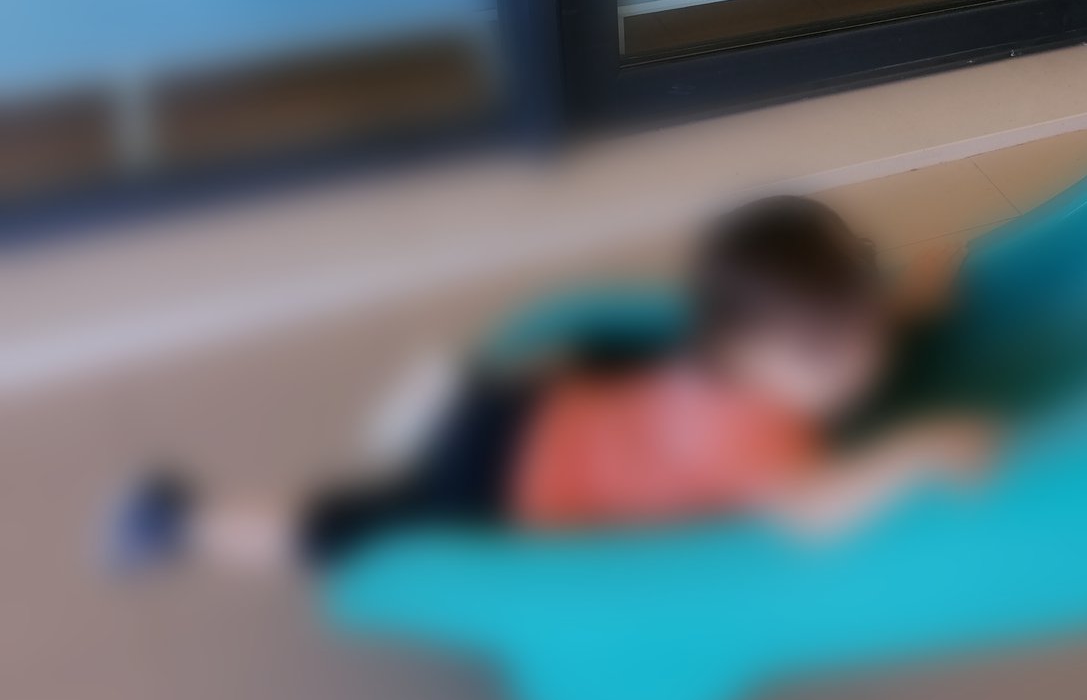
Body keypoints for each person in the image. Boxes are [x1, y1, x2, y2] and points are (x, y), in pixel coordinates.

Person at [102, 196, 994, 578]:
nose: (859, 364)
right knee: (352, 525)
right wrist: (918, 451)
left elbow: (821, 319)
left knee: (612, 353)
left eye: (860, 331)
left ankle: (443, 394)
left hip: (526, 409)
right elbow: (814, 517)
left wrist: (906, 304)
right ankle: (177, 522)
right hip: (503, 482)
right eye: (825, 356)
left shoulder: (720, 354)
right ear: (748, 360)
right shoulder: (751, 434)